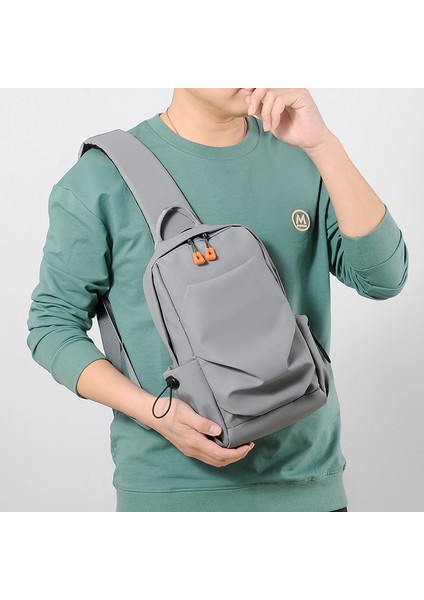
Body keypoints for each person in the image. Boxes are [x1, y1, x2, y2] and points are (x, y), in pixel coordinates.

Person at [26, 88, 409, 512]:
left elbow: (384, 279)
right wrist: (155, 412)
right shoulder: (101, 179)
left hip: (309, 484)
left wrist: (323, 145)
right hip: (172, 493)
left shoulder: (302, 154)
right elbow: (52, 327)